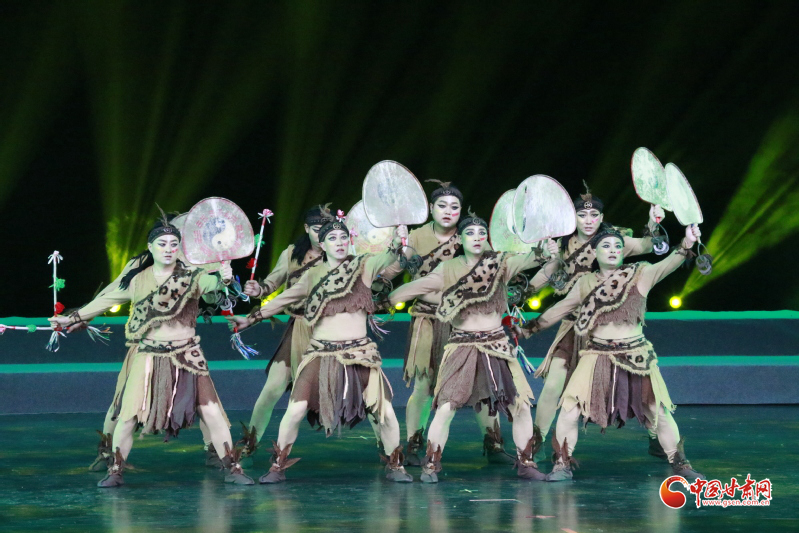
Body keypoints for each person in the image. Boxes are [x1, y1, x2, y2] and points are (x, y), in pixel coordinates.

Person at [50, 214, 254, 487]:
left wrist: (224, 278)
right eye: (162, 243)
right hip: (147, 353)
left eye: (174, 244)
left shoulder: (194, 275)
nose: (169, 249)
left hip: (187, 354)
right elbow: (108, 298)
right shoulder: (137, 278)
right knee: (127, 414)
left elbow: (212, 287)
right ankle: (115, 469)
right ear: (151, 246)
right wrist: (74, 317)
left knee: (212, 412)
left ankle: (233, 468)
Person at [228, 212, 413, 484]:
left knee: (384, 411)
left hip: (360, 354)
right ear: (322, 245)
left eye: (343, 238)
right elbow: (282, 300)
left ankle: (395, 466)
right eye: (332, 238)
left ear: (350, 242)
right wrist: (251, 318)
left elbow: (390, 257)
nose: (339, 242)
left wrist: (398, 241)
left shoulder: (364, 265)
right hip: (321, 353)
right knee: (295, 410)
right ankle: (278, 466)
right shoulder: (312, 274)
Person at [519, 224, 705, 481]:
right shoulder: (585, 282)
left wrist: (686, 243)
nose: (613, 249)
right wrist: (525, 330)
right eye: (606, 246)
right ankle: (562, 464)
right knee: (570, 408)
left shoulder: (640, 274)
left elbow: (669, 263)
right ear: (595, 253)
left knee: (658, 410)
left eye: (618, 246)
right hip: (596, 355)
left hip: (636, 356)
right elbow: (559, 309)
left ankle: (680, 463)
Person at [387, 210, 559, 482]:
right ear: (460, 239)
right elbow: (407, 291)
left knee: (521, 405)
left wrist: (546, 252)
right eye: (470, 233)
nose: (477, 237)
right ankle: (430, 465)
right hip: (462, 346)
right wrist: (438, 299)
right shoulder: (448, 269)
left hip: (497, 345)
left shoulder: (500, 263)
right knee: (446, 407)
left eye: (481, 233)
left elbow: (531, 259)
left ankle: (526, 463)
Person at [527, 185, 668, 460]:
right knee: (553, 384)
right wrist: (519, 292)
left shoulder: (614, 240)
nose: (589, 220)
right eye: (582, 215)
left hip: (609, 329)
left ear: (601, 217)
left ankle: (657, 437)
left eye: (594, 215)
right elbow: (544, 276)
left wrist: (654, 222)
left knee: (640, 387)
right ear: (573, 218)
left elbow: (649, 245)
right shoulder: (562, 245)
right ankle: (538, 439)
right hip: (573, 326)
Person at [382, 181, 514, 465]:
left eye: (454, 207)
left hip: (465, 321)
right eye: (442, 206)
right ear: (431, 208)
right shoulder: (416, 237)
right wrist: (394, 251)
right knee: (423, 384)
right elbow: (390, 273)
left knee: (483, 384)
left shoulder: (472, 236)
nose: (448, 211)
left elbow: (494, 272)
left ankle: (493, 444)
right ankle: (414, 444)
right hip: (427, 319)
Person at [239, 205, 333, 452]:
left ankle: (391, 451)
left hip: (331, 331)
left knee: (362, 390)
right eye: (317, 229)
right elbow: (271, 285)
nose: (322, 234)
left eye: (327, 228)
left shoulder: (341, 254)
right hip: (299, 328)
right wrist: (258, 290)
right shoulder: (291, 254)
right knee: (272, 389)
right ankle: (250, 443)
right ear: (307, 228)